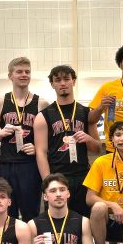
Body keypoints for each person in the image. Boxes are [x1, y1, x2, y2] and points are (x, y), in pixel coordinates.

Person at [33, 65, 101, 216]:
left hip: (83, 175)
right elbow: (41, 152)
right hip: (58, 175)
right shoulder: (43, 116)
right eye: (58, 80)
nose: (62, 83)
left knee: (84, 222)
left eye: (66, 79)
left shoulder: (86, 112)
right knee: (57, 223)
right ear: (52, 84)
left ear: (74, 81)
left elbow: (97, 149)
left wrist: (89, 138)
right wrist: (48, 182)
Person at [0, 57, 49, 221]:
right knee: (6, 213)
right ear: (10, 76)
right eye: (19, 72)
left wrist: (38, 148)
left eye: (27, 72)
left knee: (31, 212)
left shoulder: (41, 103)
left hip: (30, 165)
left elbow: (50, 138)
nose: (24, 75)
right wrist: (0, 134)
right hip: (6, 164)